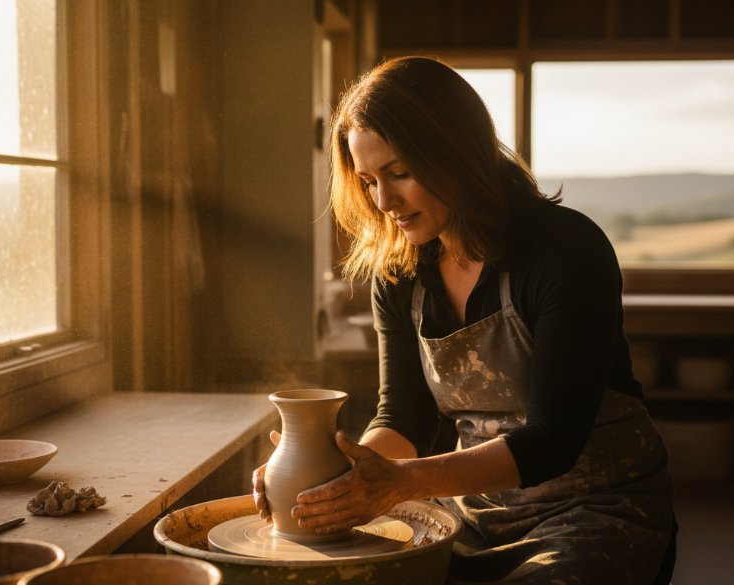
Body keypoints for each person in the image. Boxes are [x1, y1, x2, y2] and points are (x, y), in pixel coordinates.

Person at [253, 55, 676, 585]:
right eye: (368, 181)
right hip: (472, 514)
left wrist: (398, 484)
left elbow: (553, 439)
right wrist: (337, 478)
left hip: (596, 510)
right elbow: (404, 416)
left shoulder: (565, 249)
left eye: (399, 173)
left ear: (455, 153)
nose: (384, 201)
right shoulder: (400, 272)